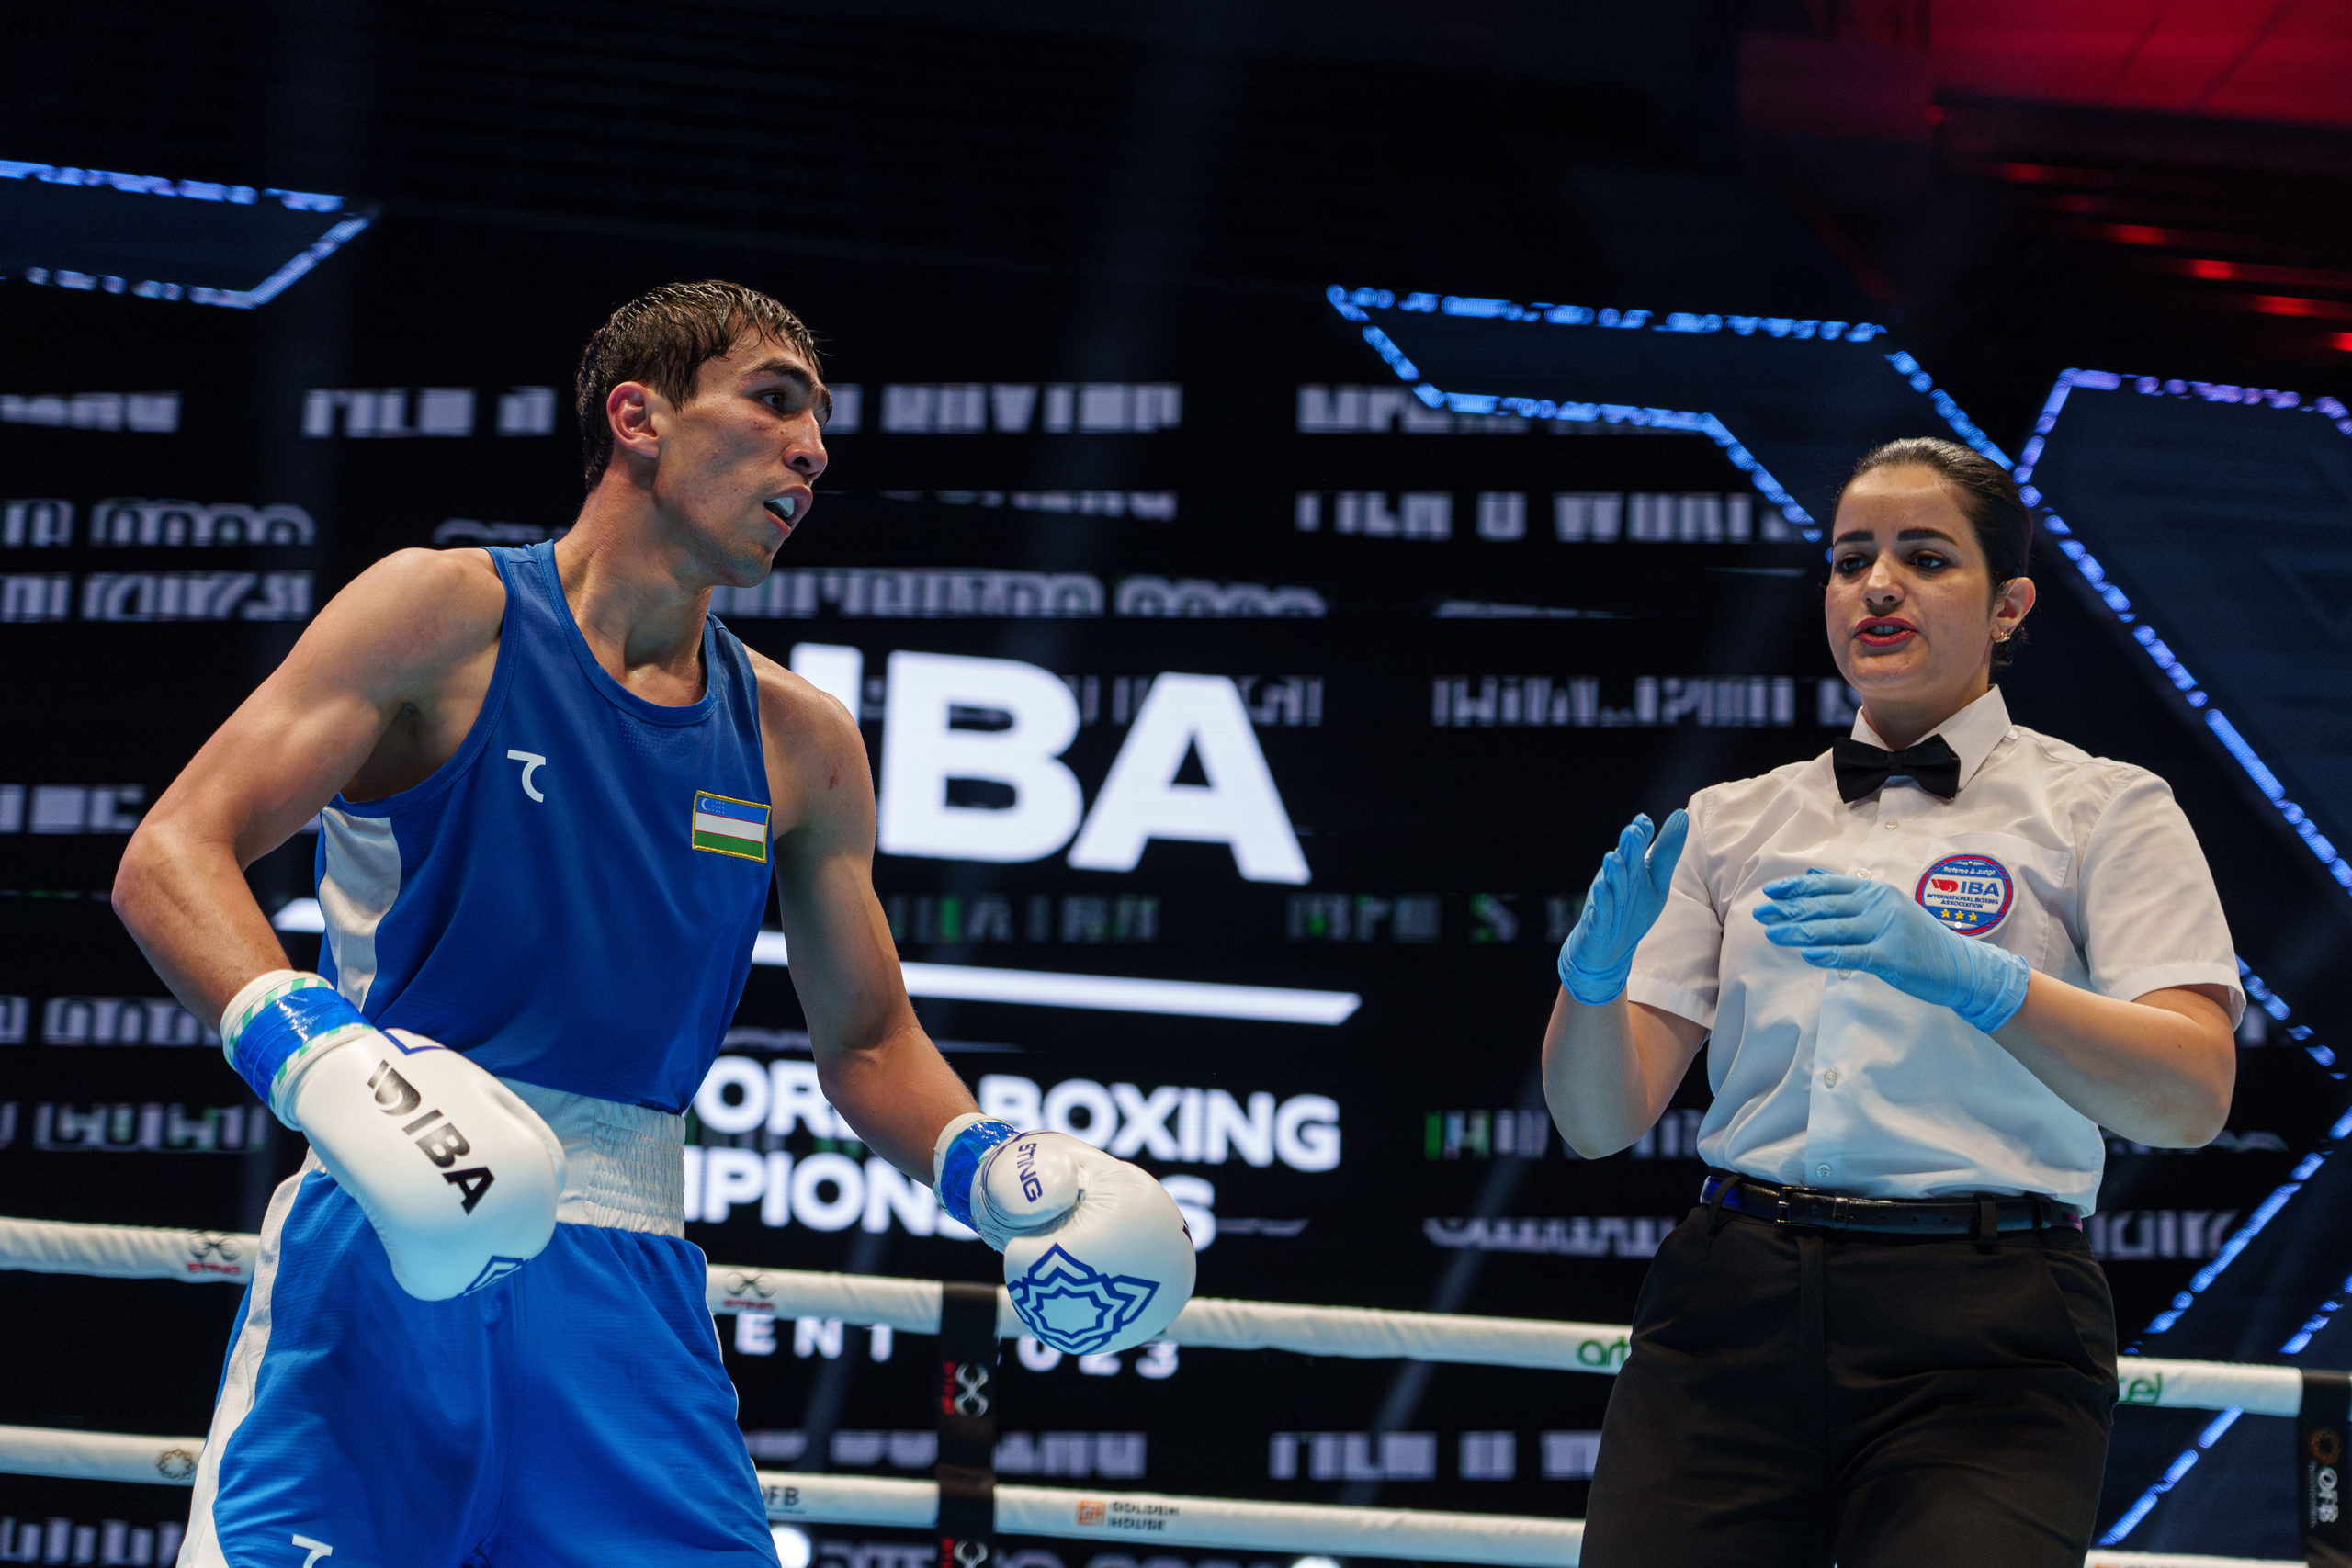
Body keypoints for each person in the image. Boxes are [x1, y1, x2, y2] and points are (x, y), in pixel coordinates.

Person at [113, 279, 1193, 1566]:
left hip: (629, 1292)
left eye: (820, 420)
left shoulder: (801, 742)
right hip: (388, 1242)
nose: (812, 449)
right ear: (638, 417)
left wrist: (995, 1167)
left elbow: (867, 1041)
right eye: (774, 400)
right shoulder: (444, 615)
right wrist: (328, 1061)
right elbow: (171, 853)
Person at [1544, 436, 2242, 1567]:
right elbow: (1595, 1121)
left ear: (2009, 605)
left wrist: (1981, 980)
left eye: (1924, 558)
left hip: (1989, 1318)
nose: (1876, 585)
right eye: (1849, 558)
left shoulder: (2106, 809)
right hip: (1731, 1298)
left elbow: (2190, 1097)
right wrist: (1588, 987)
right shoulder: (1730, 820)